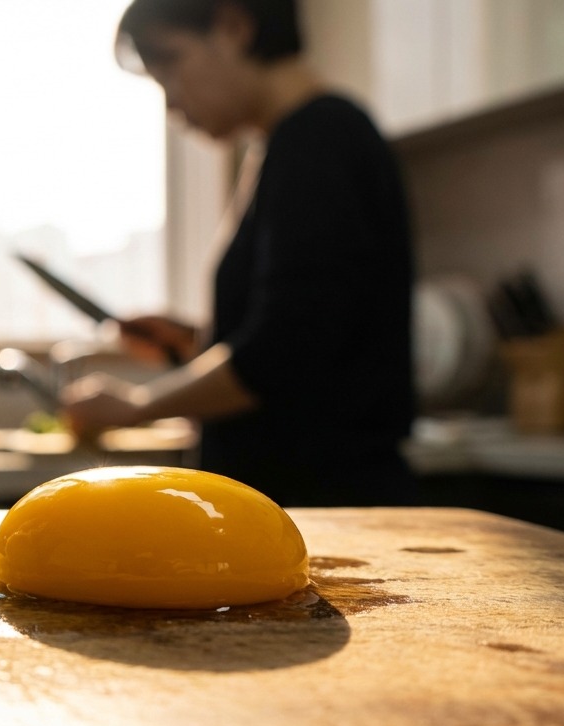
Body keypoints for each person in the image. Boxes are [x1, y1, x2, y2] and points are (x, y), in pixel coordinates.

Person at [59, 0, 418, 507]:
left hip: (327, 503)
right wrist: (192, 342)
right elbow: (305, 325)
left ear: (233, 27)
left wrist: (136, 406)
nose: (172, 104)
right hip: (309, 501)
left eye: (172, 66)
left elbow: (281, 354)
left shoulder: (320, 140)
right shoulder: (289, 145)